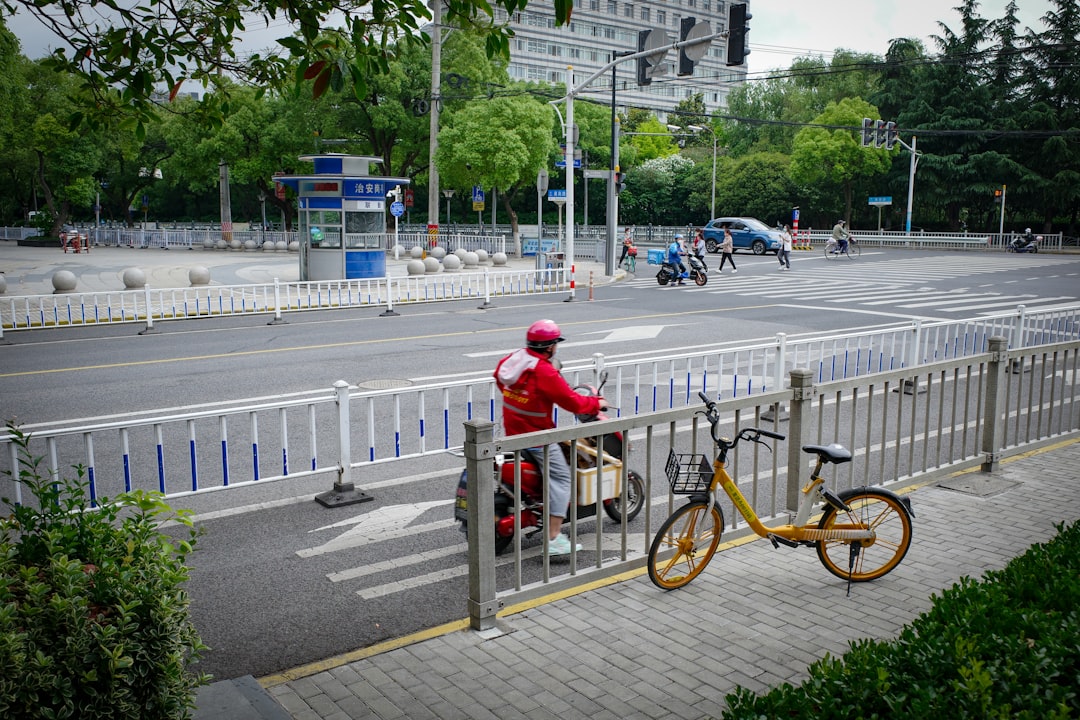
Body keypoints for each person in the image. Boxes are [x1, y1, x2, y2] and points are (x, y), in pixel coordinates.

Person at [494, 320, 607, 555]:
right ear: (549, 347)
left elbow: (499, 377)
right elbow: (572, 402)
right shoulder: (544, 371)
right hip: (537, 437)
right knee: (561, 477)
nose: (556, 347)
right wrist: (597, 402)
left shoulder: (514, 358)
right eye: (555, 343)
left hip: (513, 430)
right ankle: (554, 538)